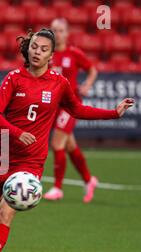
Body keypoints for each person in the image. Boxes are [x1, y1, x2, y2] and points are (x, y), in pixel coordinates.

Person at [0, 28, 134, 252]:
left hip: (31, 161)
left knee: (5, 213)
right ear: (29, 48)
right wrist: (18, 132)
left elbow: (77, 109)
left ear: (51, 55)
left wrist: (114, 112)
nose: (37, 52)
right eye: (34, 47)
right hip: (3, 155)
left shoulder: (59, 83)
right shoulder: (13, 78)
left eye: (44, 49)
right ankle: (2, 192)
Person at [44, 18, 99, 203]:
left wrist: (88, 84)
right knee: (70, 146)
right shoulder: (48, 54)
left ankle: (58, 188)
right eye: (54, 30)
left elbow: (92, 69)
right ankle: (88, 180)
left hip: (70, 105)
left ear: (67, 33)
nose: (57, 33)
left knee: (57, 144)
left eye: (60, 30)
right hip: (53, 105)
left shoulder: (74, 53)